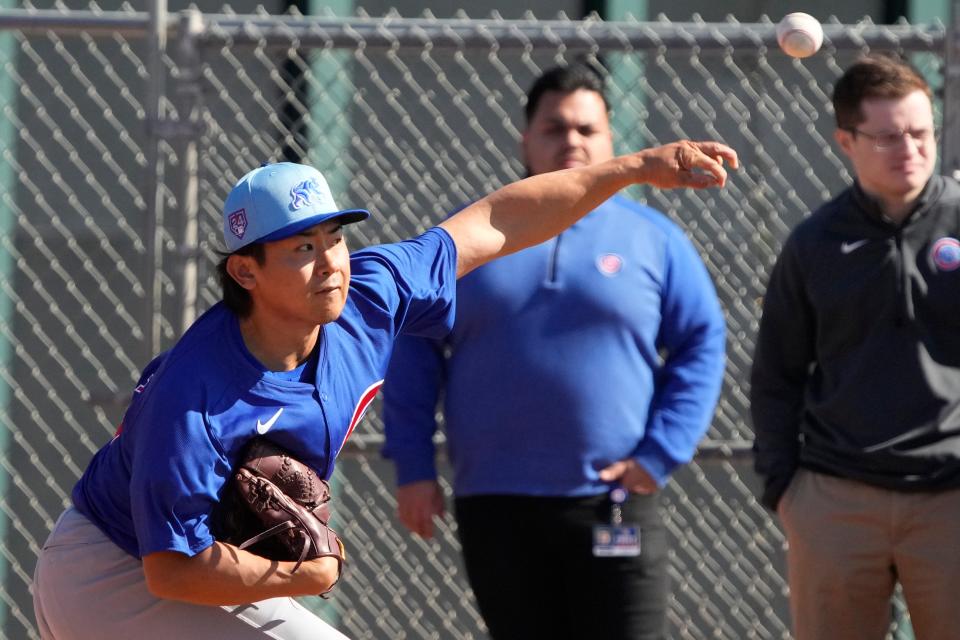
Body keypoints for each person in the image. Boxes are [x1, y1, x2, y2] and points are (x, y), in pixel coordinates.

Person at [31, 137, 736, 639]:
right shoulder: (199, 394)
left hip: (197, 564)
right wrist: (299, 577)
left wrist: (635, 168)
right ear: (245, 271)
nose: (329, 263)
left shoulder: (370, 295)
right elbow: (172, 570)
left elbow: (498, 222)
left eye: (333, 237)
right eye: (301, 249)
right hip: (111, 573)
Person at [381, 63, 728, 640]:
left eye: (587, 129)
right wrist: (413, 469)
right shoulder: (475, 237)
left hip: (613, 500)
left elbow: (702, 343)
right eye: (554, 128)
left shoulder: (655, 239)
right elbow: (413, 352)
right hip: (494, 502)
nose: (572, 140)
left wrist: (661, 451)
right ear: (525, 139)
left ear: (612, 139)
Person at [751, 53, 960, 640]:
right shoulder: (815, 243)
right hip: (837, 499)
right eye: (888, 137)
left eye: (921, 133)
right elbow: (776, 374)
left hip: (950, 496)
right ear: (846, 141)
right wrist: (786, 490)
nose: (911, 149)